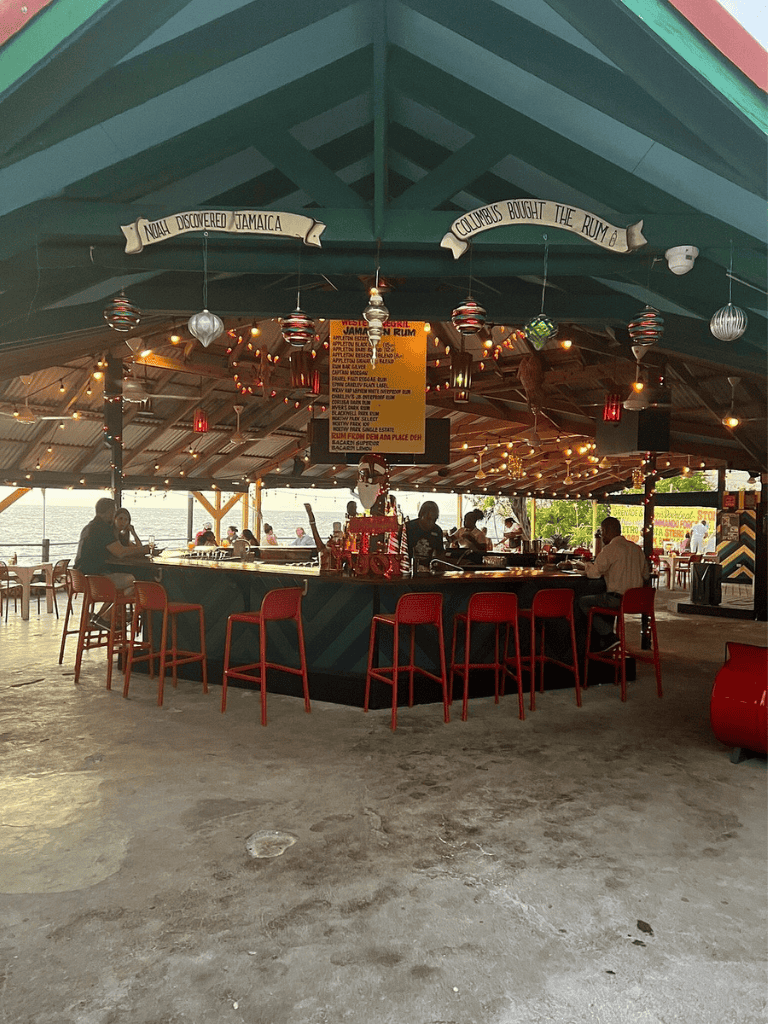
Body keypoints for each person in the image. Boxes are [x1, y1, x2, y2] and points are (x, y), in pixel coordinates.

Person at [575, 516, 650, 651]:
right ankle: (607, 640)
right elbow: (646, 575)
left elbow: (595, 574)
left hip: (616, 600)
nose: (602, 536)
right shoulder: (637, 549)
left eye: (602, 532)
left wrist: (585, 566)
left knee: (582, 602)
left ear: (606, 530)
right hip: (636, 602)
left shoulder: (610, 549)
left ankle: (608, 636)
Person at [73, 497, 149, 626]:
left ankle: (104, 616)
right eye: (114, 511)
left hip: (82, 577)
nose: (114, 514)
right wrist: (143, 550)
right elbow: (120, 552)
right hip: (96, 579)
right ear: (109, 512)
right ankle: (108, 616)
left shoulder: (88, 527)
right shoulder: (102, 528)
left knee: (130, 586)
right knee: (135, 581)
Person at [404, 500, 444, 567]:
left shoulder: (437, 530)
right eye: (428, 519)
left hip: (427, 568)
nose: (431, 523)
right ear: (421, 515)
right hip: (407, 567)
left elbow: (440, 553)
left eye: (434, 520)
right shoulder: (409, 528)